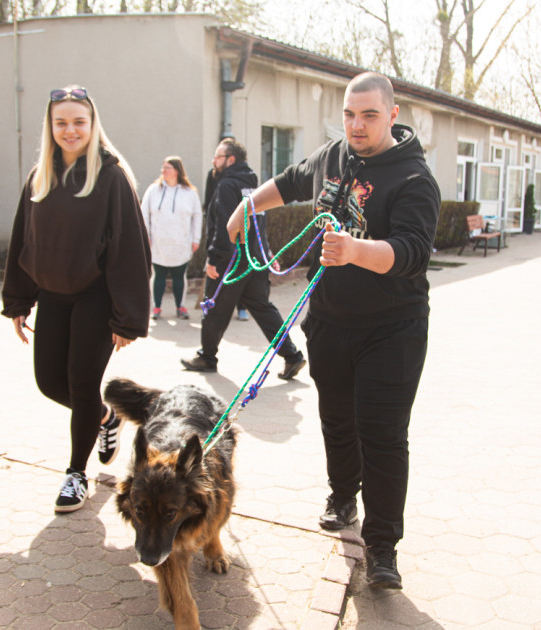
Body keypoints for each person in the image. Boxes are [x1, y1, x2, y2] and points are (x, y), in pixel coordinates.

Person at [226, 72, 440, 590]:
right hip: (329, 322)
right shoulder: (332, 155)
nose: (357, 125)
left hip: (392, 329)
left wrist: (355, 251)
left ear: (392, 114)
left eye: (369, 115)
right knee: (337, 419)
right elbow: (294, 180)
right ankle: (343, 495)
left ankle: (383, 546)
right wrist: (246, 205)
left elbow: (412, 253)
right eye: (349, 114)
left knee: (383, 436)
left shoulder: (414, 179)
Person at [1, 85, 151, 513]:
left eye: (78, 122)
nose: (70, 130)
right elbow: (23, 240)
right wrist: (18, 301)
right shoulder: (40, 176)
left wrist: (127, 318)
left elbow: (130, 248)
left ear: (92, 125)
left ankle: (75, 474)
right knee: (50, 383)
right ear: (50, 126)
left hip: (95, 298)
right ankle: (105, 417)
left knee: (82, 385)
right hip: (53, 295)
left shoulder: (110, 175)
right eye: (61, 122)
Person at [180, 138, 306, 378]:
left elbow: (225, 226)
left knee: (214, 309)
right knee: (262, 307)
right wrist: (266, 252)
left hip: (232, 261)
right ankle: (292, 356)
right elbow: (261, 223)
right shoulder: (253, 184)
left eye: (217, 157)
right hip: (255, 259)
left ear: (230, 160)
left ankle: (207, 358)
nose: (213, 162)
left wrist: (214, 260)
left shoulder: (227, 185)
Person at [141, 156, 202, 320]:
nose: (164, 171)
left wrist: (196, 239)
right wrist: (146, 236)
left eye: (168, 168)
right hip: (158, 242)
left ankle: (180, 307)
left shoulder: (189, 193)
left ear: (177, 170)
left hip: (181, 242)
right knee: (158, 275)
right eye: (163, 168)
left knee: (179, 276)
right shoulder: (153, 191)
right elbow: (143, 214)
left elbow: (197, 216)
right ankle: (156, 307)